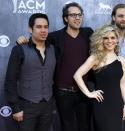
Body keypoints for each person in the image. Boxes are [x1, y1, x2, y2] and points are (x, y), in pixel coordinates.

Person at [17, 2, 93, 131]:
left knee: (85, 126)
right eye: (73, 15)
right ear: (65, 18)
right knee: (67, 126)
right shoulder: (54, 37)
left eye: (80, 15)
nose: (77, 18)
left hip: (84, 91)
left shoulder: (88, 33)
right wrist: (23, 41)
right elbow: (37, 42)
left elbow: (107, 37)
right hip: (63, 93)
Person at [4, 13, 56, 131]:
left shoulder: (54, 49)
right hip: (26, 106)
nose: (43, 30)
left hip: (47, 106)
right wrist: (16, 108)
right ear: (30, 29)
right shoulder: (19, 50)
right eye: (38, 27)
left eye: (46, 27)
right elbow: (10, 80)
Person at [73, 24, 125, 131]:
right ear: (101, 40)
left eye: (113, 38)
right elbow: (77, 75)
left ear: (117, 40)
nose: (109, 41)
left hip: (117, 104)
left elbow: (122, 83)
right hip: (102, 105)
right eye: (106, 38)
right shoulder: (95, 58)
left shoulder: (121, 60)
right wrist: (89, 93)